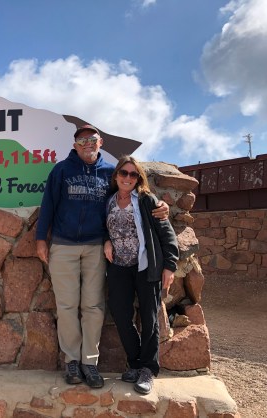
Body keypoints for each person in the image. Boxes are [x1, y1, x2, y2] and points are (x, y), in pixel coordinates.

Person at [36, 125, 168, 387]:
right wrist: (41, 239)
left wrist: (161, 205)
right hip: (63, 245)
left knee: (94, 306)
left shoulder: (110, 173)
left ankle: (90, 363)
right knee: (67, 306)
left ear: (100, 142)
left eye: (92, 139)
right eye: (82, 140)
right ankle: (72, 361)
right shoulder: (61, 170)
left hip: (96, 247)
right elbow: (48, 204)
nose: (87, 143)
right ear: (75, 145)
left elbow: (130, 194)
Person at [104, 155, 179, 395]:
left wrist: (170, 266)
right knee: (120, 314)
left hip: (146, 267)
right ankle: (135, 363)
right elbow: (102, 226)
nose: (127, 178)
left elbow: (167, 233)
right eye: (123, 173)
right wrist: (106, 240)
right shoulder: (109, 201)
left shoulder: (147, 200)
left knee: (149, 318)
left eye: (133, 174)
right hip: (118, 267)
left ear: (138, 178)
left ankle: (148, 369)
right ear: (116, 175)